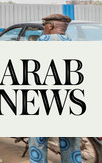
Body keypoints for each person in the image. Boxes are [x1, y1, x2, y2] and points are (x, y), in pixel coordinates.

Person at [28, 13, 80, 163]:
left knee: (38, 142)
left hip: (41, 103)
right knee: (70, 144)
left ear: (50, 26)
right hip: (69, 103)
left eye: (44, 26)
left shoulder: (41, 42)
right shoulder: (74, 46)